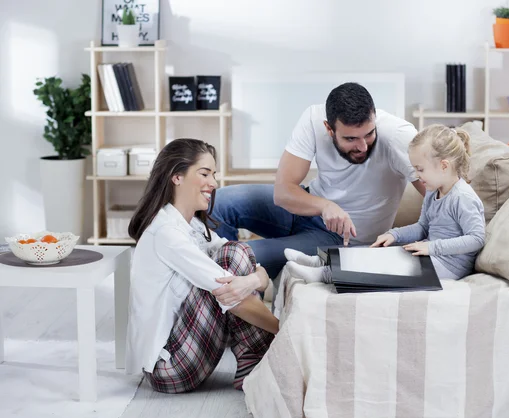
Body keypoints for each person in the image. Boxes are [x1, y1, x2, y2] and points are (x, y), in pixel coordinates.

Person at [211, 82, 426, 278]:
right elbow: (283, 191)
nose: (363, 146)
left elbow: (442, 195)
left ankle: (230, 289)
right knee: (217, 202)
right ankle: (211, 282)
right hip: (308, 207)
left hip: (343, 239)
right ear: (328, 128)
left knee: (236, 258)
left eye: (369, 134)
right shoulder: (313, 118)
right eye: (351, 138)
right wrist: (325, 206)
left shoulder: (398, 136)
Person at [125, 138, 278, 393]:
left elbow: (248, 266)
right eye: (204, 173)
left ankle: (252, 360)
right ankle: (255, 357)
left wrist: (255, 279)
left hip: (188, 349)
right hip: (169, 367)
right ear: (177, 177)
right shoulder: (165, 232)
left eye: (213, 174)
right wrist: (285, 330)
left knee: (237, 253)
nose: (214, 183)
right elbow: (232, 294)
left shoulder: (194, 226)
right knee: (232, 260)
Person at [285, 124, 486, 282]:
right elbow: (423, 227)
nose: (416, 176)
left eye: (421, 169)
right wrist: (394, 234)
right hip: (430, 253)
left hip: (449, 266)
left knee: (386, 265)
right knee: (378, 250)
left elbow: (477, 238)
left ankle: (324, 276)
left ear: (443, 166)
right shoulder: (433, 193)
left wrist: (433, 248)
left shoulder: (463, 198)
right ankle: (320, 261)